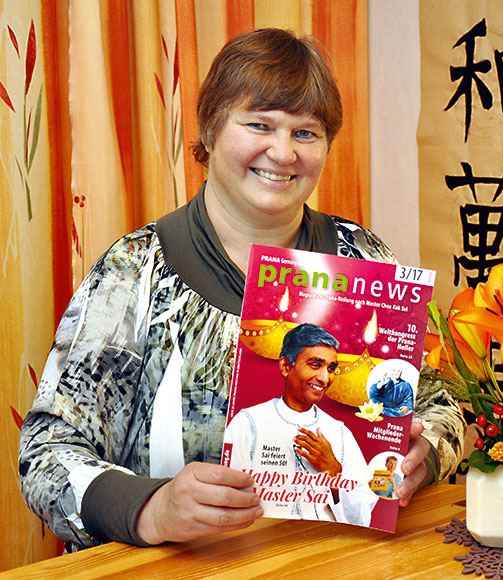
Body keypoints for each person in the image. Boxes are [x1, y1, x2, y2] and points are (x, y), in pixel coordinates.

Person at [18, 28, 465, 552]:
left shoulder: (360, 257)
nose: (283, 152)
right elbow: (47, 453)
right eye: (259, 125)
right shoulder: (136, 269)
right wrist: (150, 509)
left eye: (306, 132)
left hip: (333, 559)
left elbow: (436, 400)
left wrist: (425, 454)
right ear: (209, 130)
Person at [224, 324, 377, 525]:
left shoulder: (339, 433)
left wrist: (334, 474)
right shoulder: (248, 424)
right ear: (286, 367)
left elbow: (362, 518)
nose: (324, 378)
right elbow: (227, 502)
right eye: (315, 365)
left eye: (331, 368)